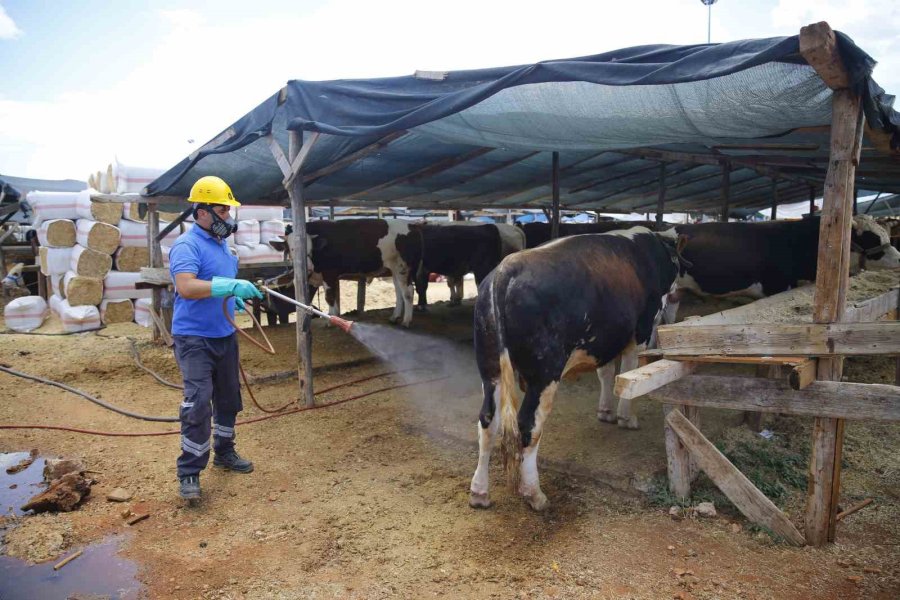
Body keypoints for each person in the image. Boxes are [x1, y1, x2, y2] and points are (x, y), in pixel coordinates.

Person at [168, 175, 264, 502]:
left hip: (224, 334)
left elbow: (218, 285)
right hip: (194, 338)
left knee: (228, 398)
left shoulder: (224, 247)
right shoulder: (187, 245)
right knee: (197, 403)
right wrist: (228, 287)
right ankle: (190, 472)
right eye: (223, 212)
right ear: (203, 212)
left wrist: (230, 297)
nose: (228, 218)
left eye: (228, 212)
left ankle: (225, 452)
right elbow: (186, 286)